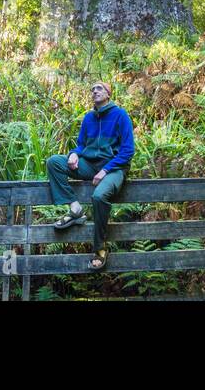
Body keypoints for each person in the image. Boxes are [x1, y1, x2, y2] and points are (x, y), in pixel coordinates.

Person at [45, 81, 135, 270]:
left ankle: (100, 247)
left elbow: (127, 151)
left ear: (108, 93)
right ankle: (75, 209)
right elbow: (81, 145)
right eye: (92, 89)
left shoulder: (120, 115)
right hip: (89, 165)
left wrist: (105, 170)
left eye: (99, 88)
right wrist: (74, 154)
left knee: (99, 196)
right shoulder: (88, 118)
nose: (94, 91)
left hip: (114, 168)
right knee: (54, 162)